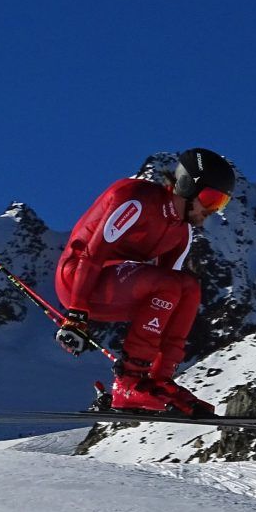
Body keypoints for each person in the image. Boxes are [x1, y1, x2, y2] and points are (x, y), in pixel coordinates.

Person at [54, 148, 235, 417]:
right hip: (78, 279)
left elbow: (168, 301)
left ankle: (157, 381)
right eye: (210, 198)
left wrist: (159, 372)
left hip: (115, 286)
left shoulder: (180, 234)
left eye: (221, 203)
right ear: (187, 185)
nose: (212, 210)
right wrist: (77, 314)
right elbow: (93, 255)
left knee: (188, 288)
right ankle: (128, 383)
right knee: (171, 285)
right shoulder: (136, 200)